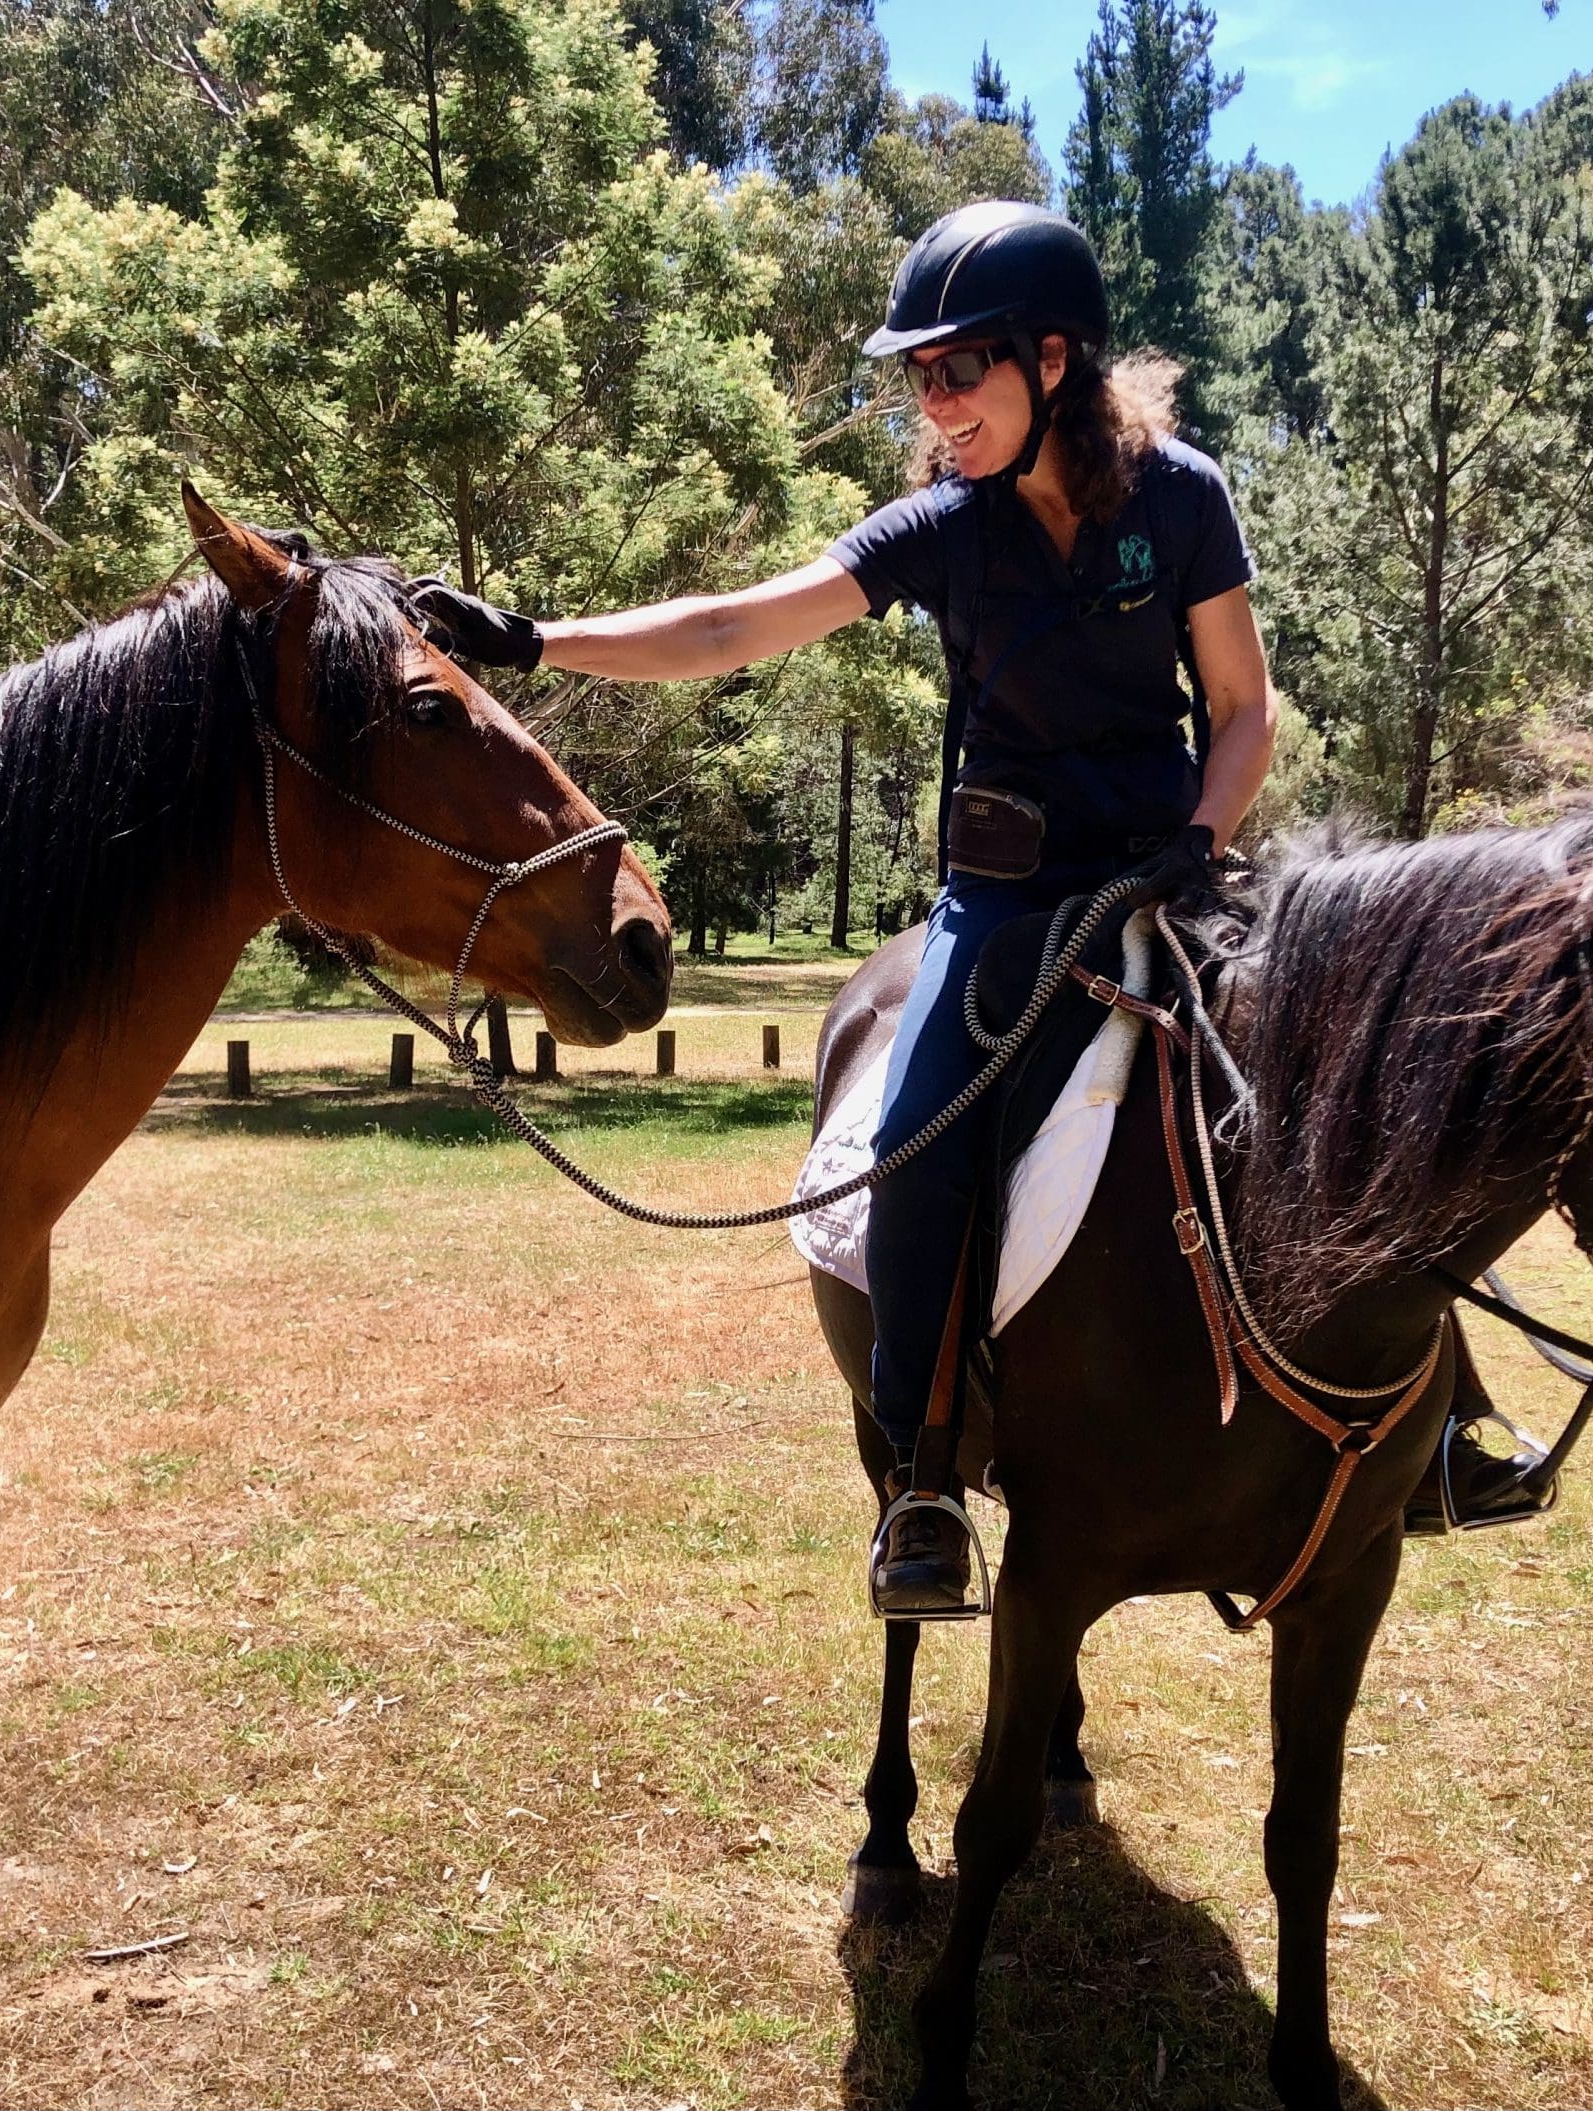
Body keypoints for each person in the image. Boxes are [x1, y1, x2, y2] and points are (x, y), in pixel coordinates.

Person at [412, 202, 1278, 1616]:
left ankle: (1433, 1423)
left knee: (1340, 1061)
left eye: (960, 368)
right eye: (919, 377)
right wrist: (535, 641)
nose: (934, 403)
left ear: (1056, 356)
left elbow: (1242, 713)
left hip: (1173, 872)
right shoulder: (944, 526)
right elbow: (728, 625)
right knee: (921, 1141)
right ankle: (927, 1479)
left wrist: (1198, 838)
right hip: (1005, 900)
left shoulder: (1183, 498)